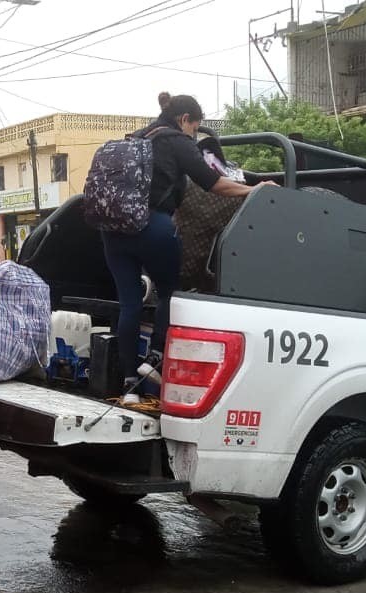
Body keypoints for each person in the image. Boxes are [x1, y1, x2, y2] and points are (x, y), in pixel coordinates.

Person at [106, 92, 268, 404]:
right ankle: (154, 360)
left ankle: (128, 386)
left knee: (129, 304)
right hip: (152, 225)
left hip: (112, 230)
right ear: (185, 120)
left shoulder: (135, 138)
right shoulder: (176, 141)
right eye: (195, 128)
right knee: (171, 291)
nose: (194, 134)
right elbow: (213, 183)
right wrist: (253, 189)